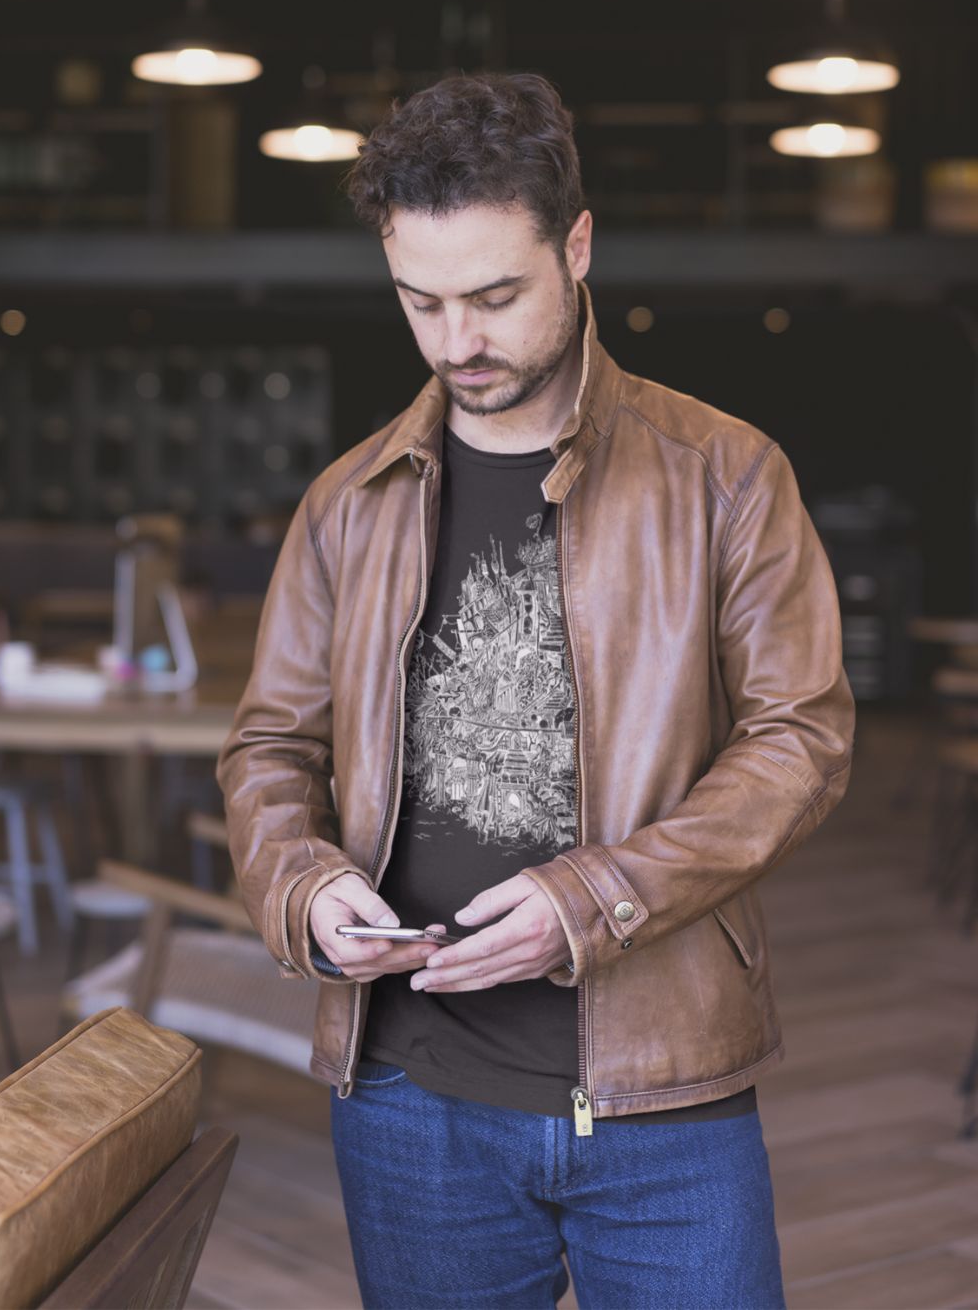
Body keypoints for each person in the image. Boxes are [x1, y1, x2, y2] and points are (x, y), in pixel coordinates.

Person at [216, 71, 856, 1310]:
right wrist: (303, 882)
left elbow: (801, 742)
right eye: (422, 302)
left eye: (496, 296)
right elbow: (267, 750)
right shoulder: (349, 502)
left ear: (576, 247)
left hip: (662, 1088)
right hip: (407, 1098)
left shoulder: (723, 475)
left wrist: (593, 898)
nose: (459, 342)